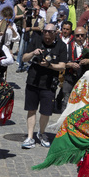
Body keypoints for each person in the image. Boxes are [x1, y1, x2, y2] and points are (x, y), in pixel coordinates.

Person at [20, 22, 68, 150]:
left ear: (55, 33)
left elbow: (63, 65)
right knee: (31, 109)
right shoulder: (35, 40)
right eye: (45, 32)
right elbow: (24, 58)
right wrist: (33, 53)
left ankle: (41, 133)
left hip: (49, 84)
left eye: (49, 32)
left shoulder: (61, 46)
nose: (46, 35)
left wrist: (49, 65)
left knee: (45, 112)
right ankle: (30, 136)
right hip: (33, 81)